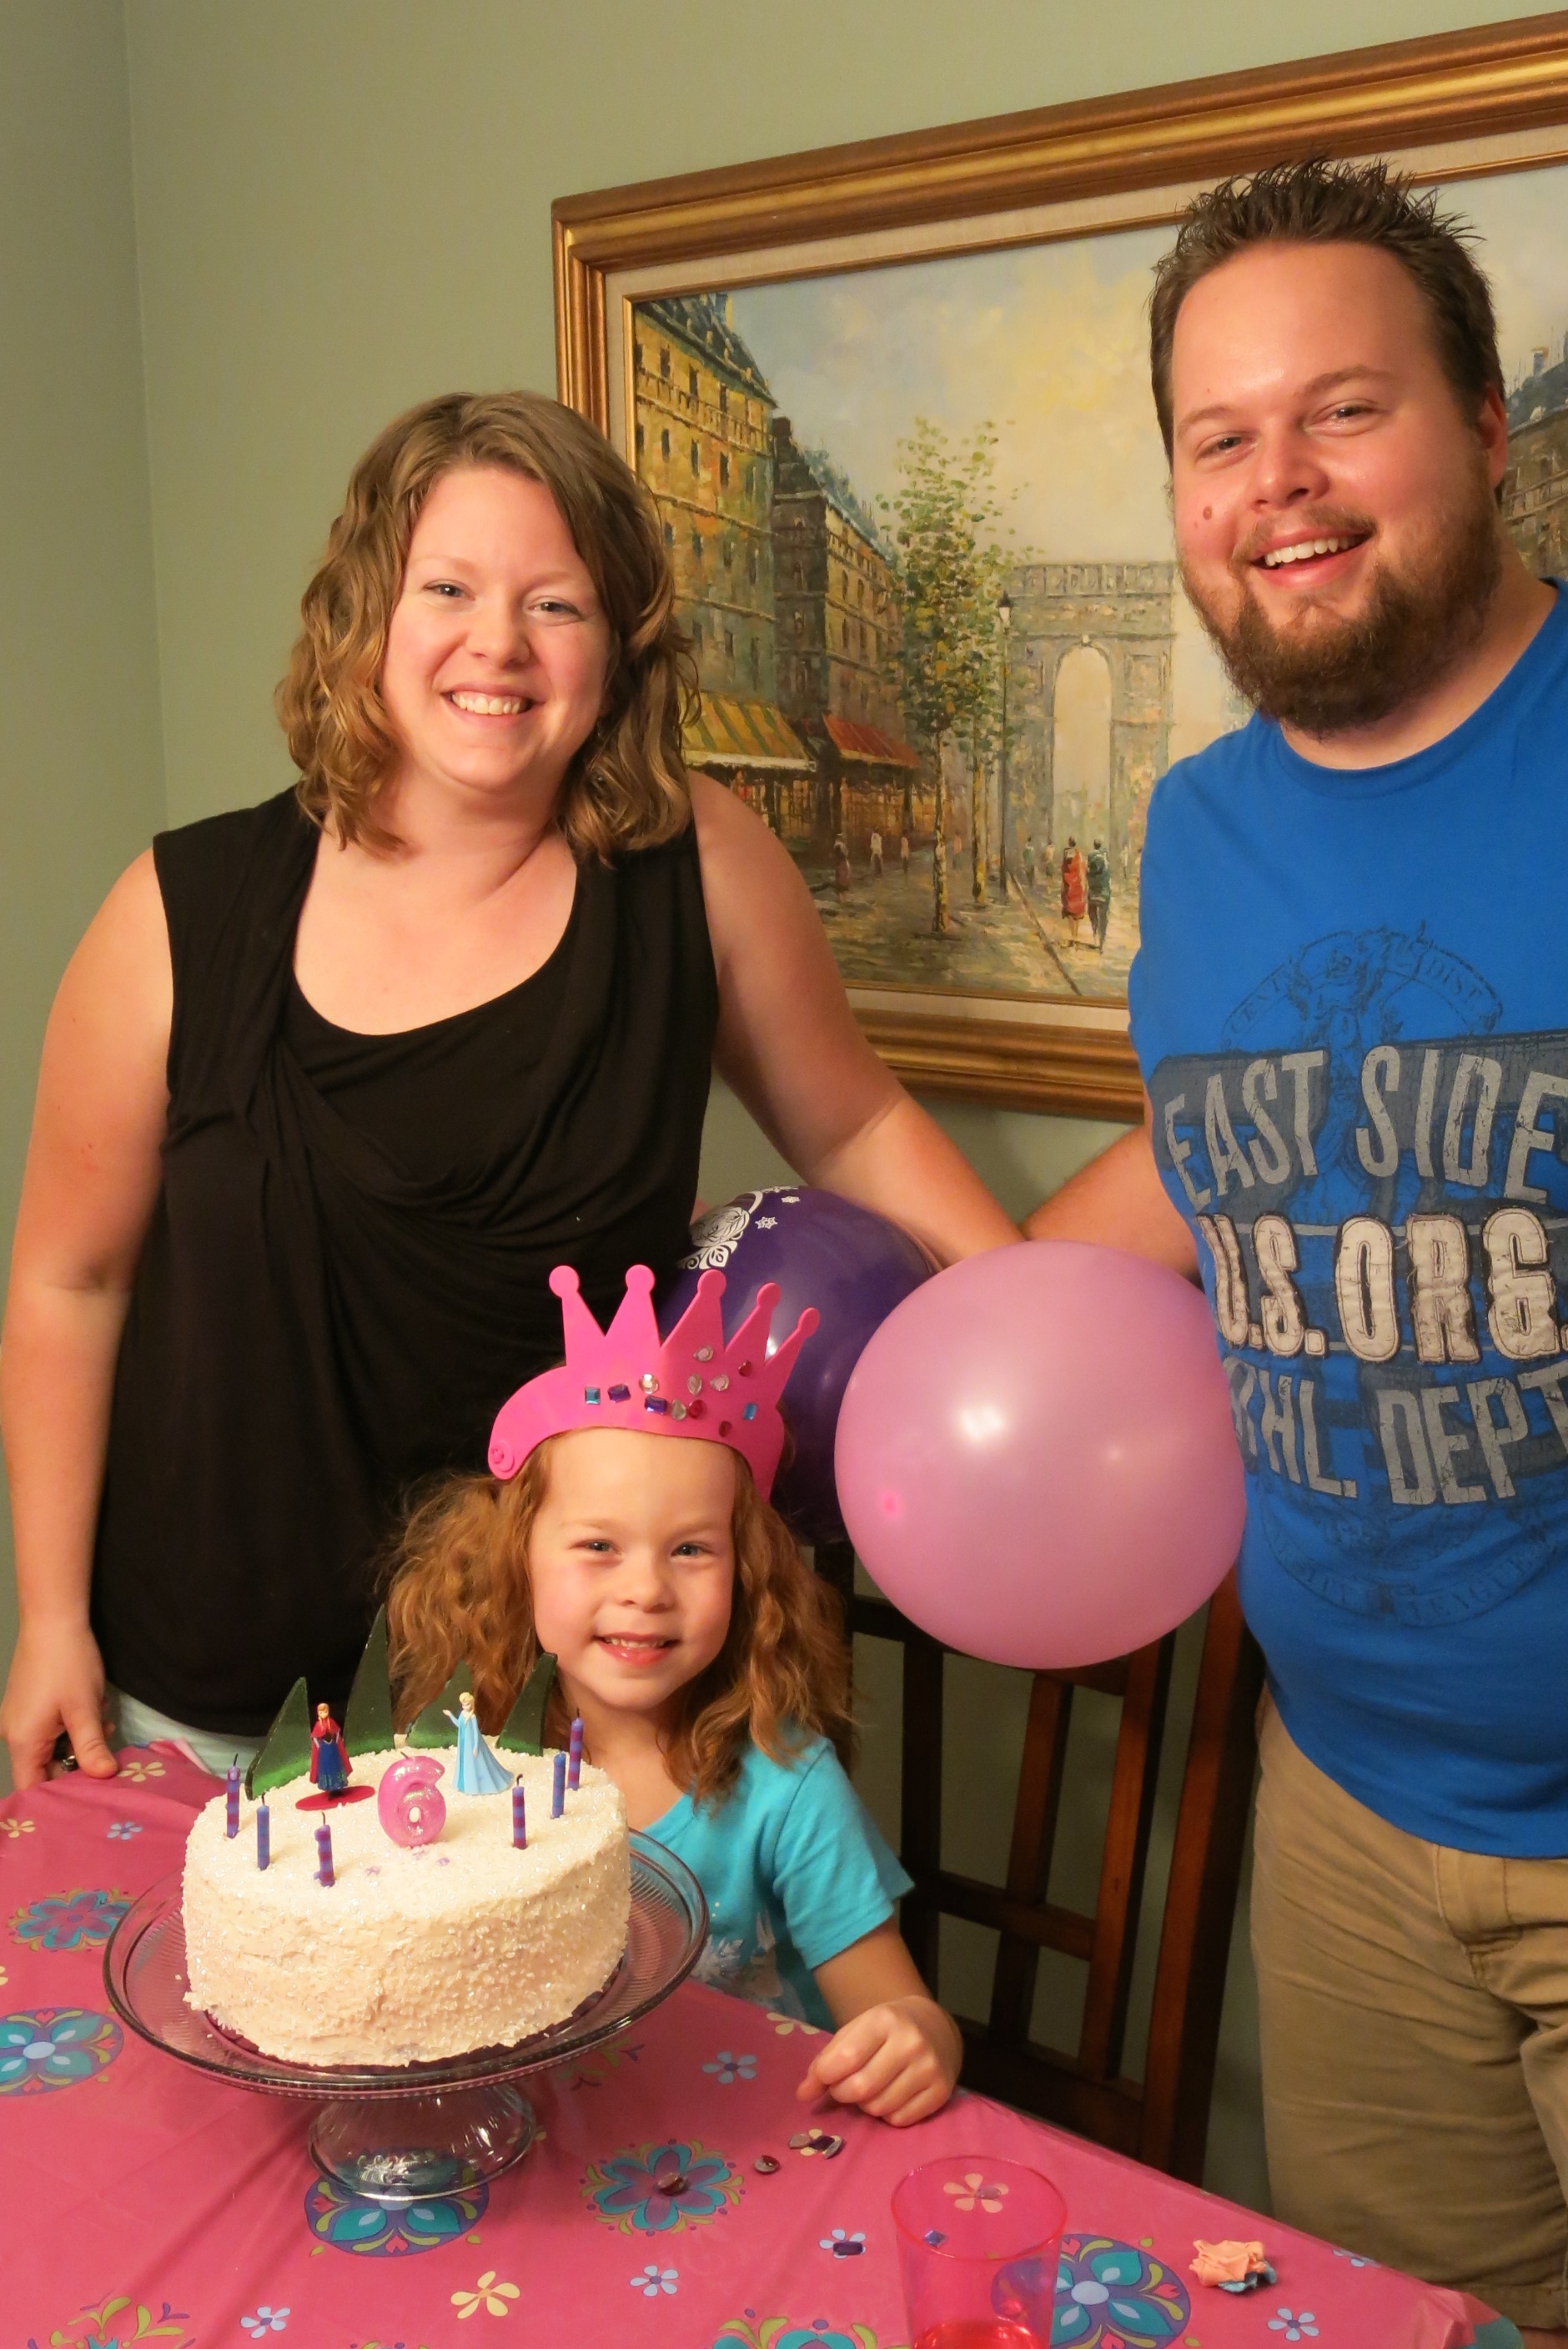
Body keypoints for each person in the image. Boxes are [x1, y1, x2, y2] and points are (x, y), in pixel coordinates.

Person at [0, 390, 1018, 1793]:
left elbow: (858, 1124)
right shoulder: (178, 910)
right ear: (367, 614)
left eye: (556, 603)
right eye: (449, 589)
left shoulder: (702, 870)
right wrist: (50, 1618)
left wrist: (1038, 1327)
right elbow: (70, 1280)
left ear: (618, 647)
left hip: (547, 1720)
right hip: (196, 1706)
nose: (499, 643)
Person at [1027, 158, 1568, 2342]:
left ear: (1486, 427)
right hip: (1339, 1812)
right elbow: (1235, 1150)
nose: (1280, 485)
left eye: (1343, 410)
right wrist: (907, 1329)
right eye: (1220, 436)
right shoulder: (1202, 826)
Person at [385, 1261, 962, 2126]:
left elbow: (902, 2009)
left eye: (690, 1549)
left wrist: (919, 2039)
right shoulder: (469, 1760)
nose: (646, 1590)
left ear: (747, 1571)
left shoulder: (787, 1787)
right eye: (598, 1546)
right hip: (547, 2138)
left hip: (751, 2138)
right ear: (515, 1560)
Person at [446, 1688, 512, 1795]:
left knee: (476, 1763)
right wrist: (450, 1715)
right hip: (463, 1742)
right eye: (463, 1705)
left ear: (471, 1704)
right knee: (464, 1762)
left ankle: (477, 1785)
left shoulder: (472, 1717)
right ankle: (464, 1783)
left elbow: (476, 1733)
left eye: (467, 1704)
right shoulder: (462, 1714)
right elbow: (459, 1724)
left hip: (471, 1743)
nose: (465, 1707)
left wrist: (476, 1746)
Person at [1085, 837, 1112, 951]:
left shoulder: (1090, 858)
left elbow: (1087, 874)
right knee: (1104, 917)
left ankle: (1095, 932)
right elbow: (1108, 875)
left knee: (1092, 912)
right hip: (1104, 892)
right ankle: (1102, 941)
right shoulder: (1106, 859)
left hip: (1093, 892)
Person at [1059, 836, 1088, 938]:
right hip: (1078, 885)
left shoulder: (1066, 854)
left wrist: (1064, 881)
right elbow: (1083, 868)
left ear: (1069, 843)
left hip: (1069, 885)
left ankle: (1073, 935)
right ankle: (1075, 933)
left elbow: (1064, 869)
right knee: (1077, 912)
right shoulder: (1079, 854)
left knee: (1069, 911)